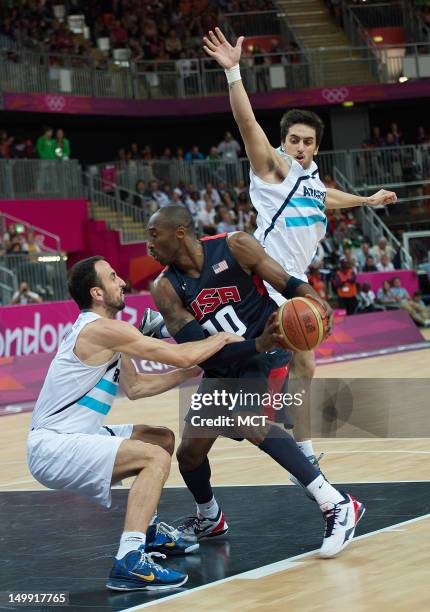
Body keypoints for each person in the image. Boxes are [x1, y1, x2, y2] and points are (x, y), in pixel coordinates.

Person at [199, 27, 397, 475]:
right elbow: (247, 124)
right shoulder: (272, 167)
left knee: (305, 362)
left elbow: (326, 196)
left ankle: (299, 445)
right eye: (295, 141)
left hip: (293, 283)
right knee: (258, 370)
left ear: (316, 146)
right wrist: (233, 73)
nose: (302, 148)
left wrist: (366, 200)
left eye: (308, 142)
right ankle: (268, 433)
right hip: (265, 278)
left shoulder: (310, 179)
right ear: (283, 142)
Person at [145, 205, 365, 559]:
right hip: (223, 365)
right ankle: (209, 518)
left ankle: (336, 503)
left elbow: (286, 282)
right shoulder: (166, 288)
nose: (148, 246)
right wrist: (254, 344)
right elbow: (199, 353)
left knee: (250, 421)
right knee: (189, 455)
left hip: (267, 354)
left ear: (180, 232)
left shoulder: (236, 246)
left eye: (154, 236)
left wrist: (313, 299)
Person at [27, 256, 242, 592]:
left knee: (159, 440)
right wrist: (223, 338)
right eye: (113, 278)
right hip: (54, 446)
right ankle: (129, 560)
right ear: (97, 293)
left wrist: (192, 371)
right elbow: (183, 353)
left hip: (73, 436)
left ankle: (149, 531)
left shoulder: (109, 335)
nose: (122, 282)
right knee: (153, 459)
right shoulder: (103, 330)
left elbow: (138, 387)